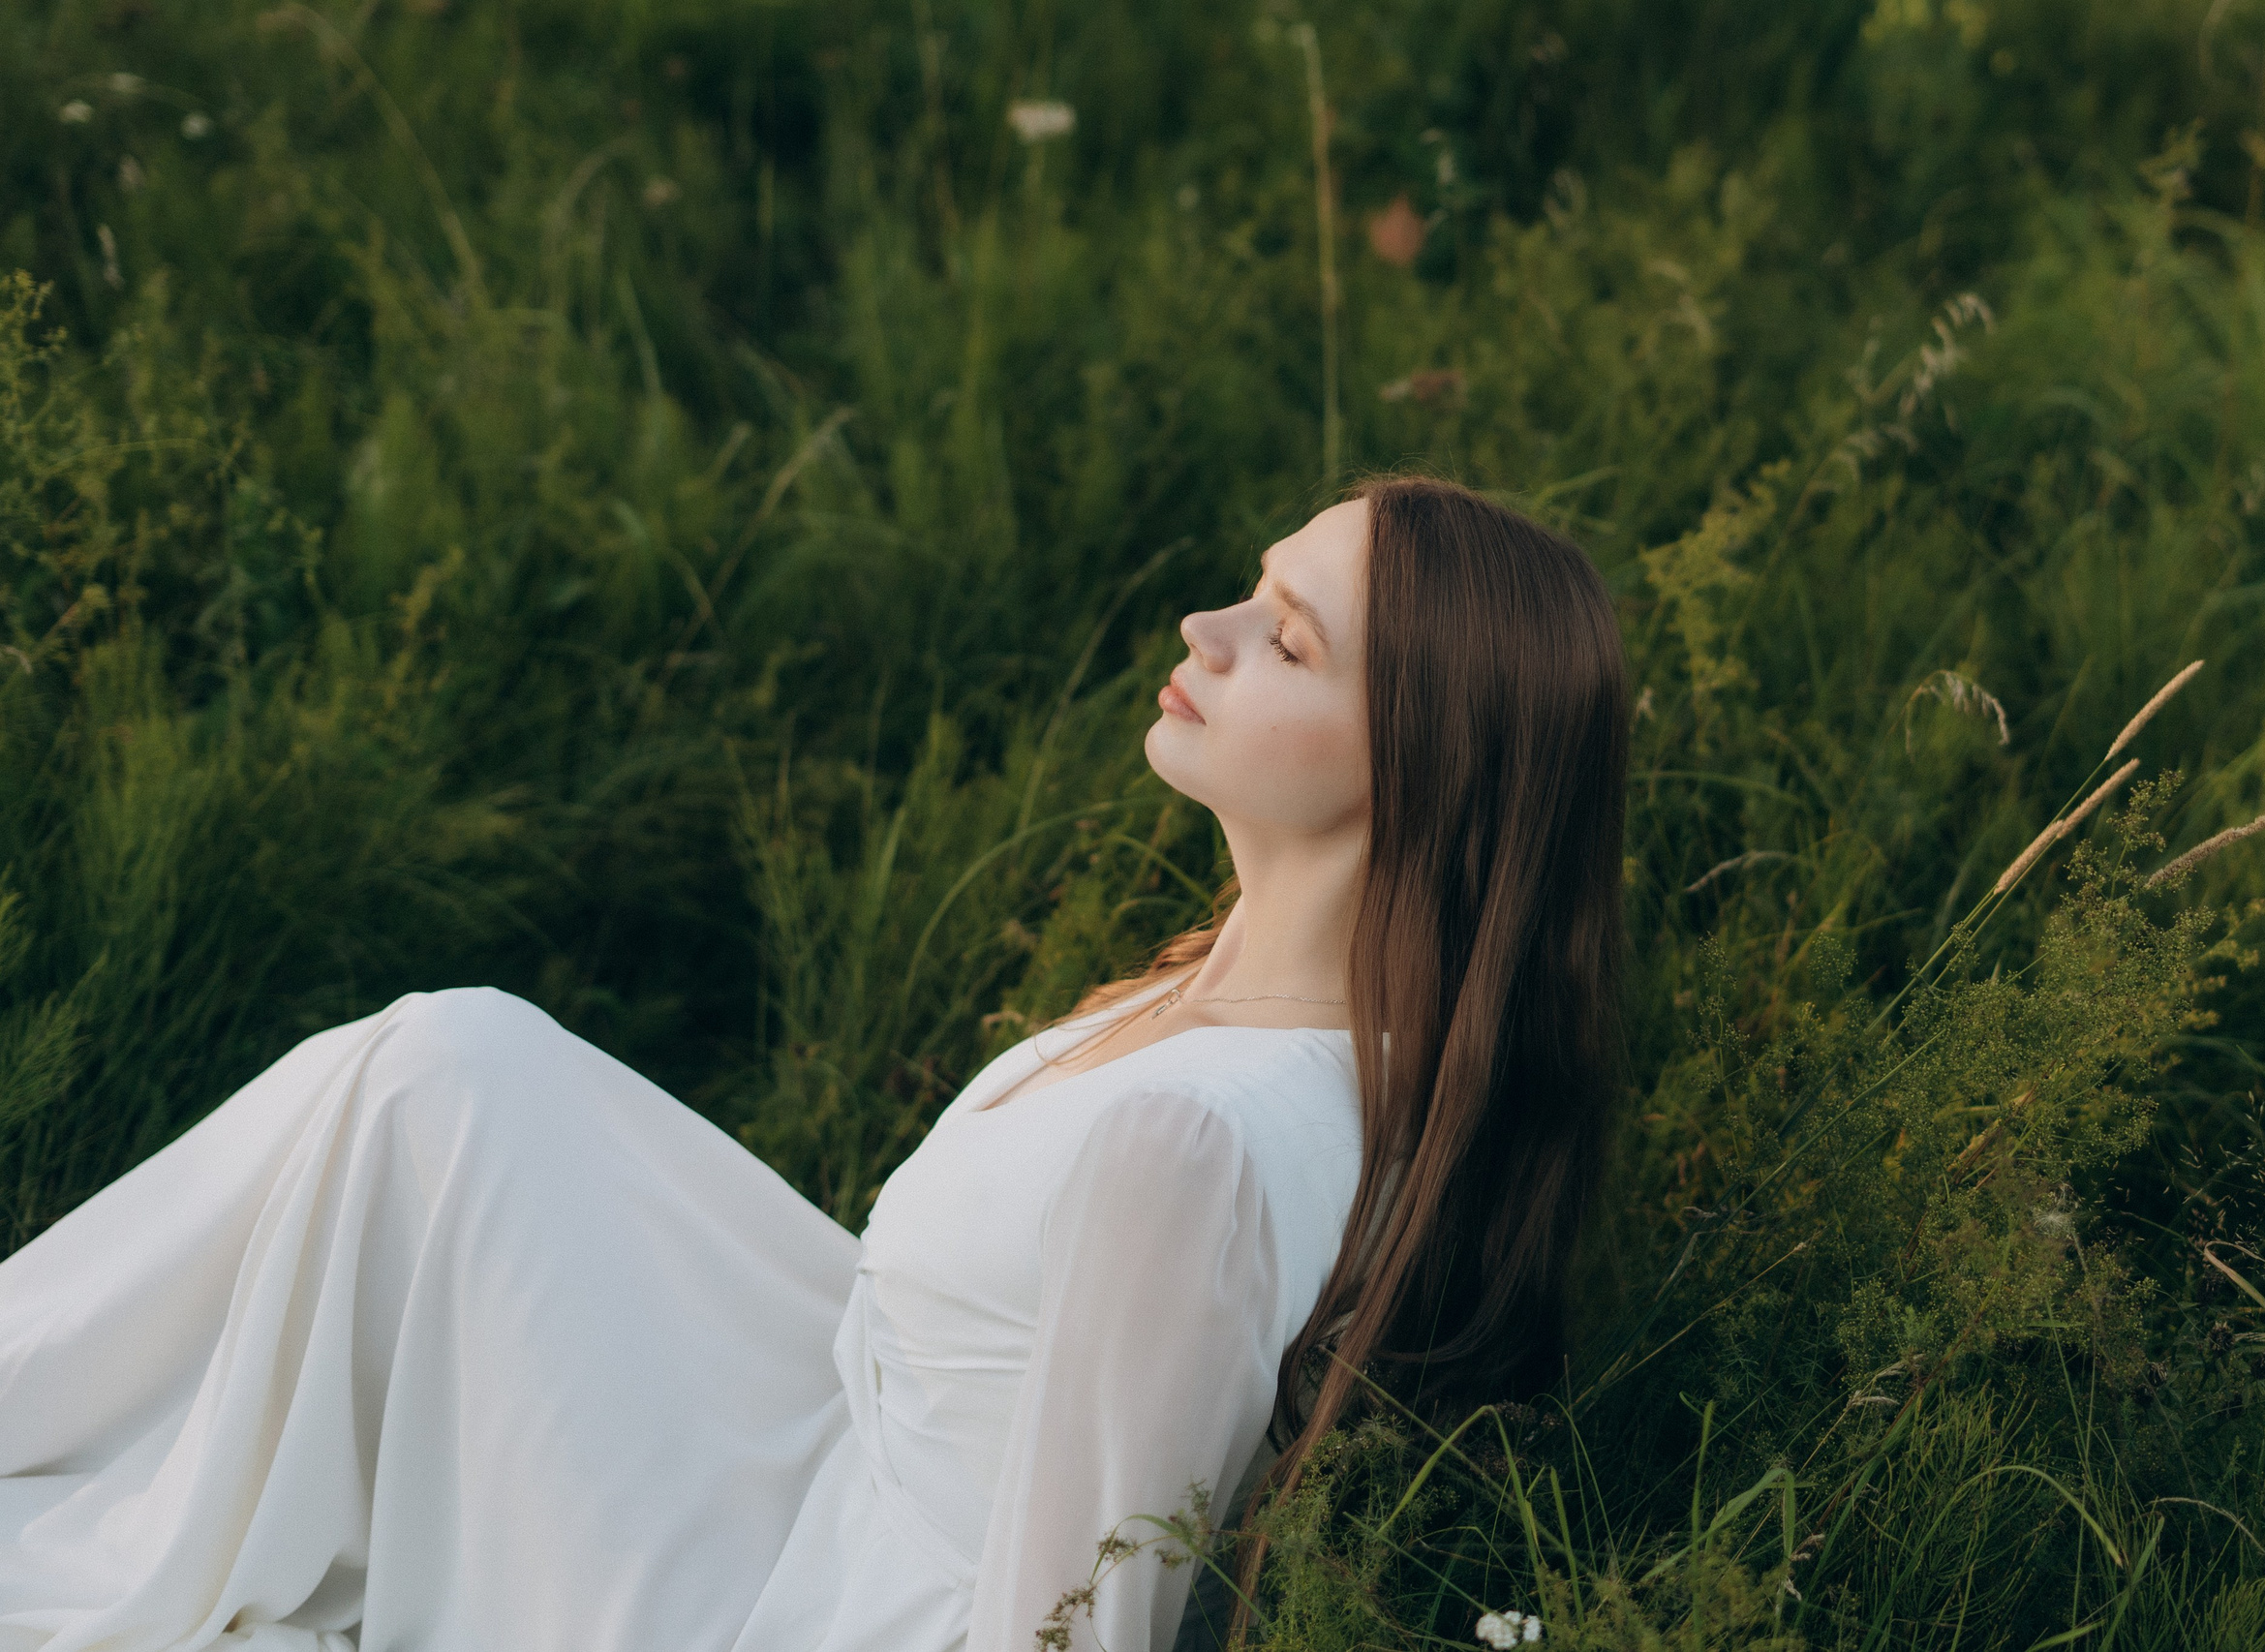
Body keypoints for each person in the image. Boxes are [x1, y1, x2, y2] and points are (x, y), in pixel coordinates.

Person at [0, 474, 1627, 1652]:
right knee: (452, 1073)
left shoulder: (1198, 1147)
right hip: (816, 1419)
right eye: (1251, 591)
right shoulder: (1270, 996)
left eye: (1281, 637)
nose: (1205, 629)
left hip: (805, 1592)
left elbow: (1083, 1611)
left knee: (440, 1083)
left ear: (1418, 757)